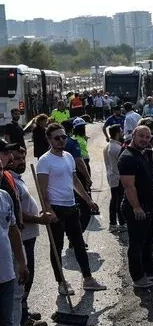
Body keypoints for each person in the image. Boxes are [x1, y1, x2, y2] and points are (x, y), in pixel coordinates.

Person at [34, 123, 105, 295]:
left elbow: (74, 181)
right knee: (56, 247)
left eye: (63, 137)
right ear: (49, 140)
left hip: (71, 206)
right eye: (56, 138)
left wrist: (88, 200)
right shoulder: (44, 161)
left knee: (79, 244)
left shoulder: (68, 156)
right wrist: (48, 209)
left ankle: (88, 279)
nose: (61, 140)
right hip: (56, 209)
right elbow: (42, 190)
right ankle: (61, 282)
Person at [3, 144, 48, 326]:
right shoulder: (5, 180)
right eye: (10, 155)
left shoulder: (9, 179)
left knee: (18, 287)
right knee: (13, 290)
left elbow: (14, 217)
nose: (14, 159)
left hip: (18, 239)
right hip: (12, 243)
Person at [120, 125, 153, 290]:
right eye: (141, 136)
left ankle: (150, 270)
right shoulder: (127, 157)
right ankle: (138, 277)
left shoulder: (144, 152)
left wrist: (151, 140)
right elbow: (128, 186)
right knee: (136, 243)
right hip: (137, 207)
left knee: (148, 241)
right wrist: (136, 207)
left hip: (150, 206)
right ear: (133, 135)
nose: (144, 140)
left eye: (148, 137)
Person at [0, 180, 27, 326]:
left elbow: (13, 230)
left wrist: (21, 263)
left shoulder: (4, 196)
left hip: (6, 272)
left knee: (6, 324)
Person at [104, 125, 126, 234]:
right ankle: (120, 223)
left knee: (114, 200)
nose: (122, 134)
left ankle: (113, 223)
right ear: (117, 133)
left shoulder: (108, 146)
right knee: (118, 201)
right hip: (118, 178)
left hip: (112, 177)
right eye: (121, 132)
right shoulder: (117, 148)